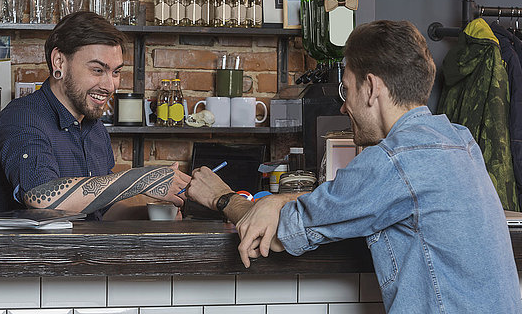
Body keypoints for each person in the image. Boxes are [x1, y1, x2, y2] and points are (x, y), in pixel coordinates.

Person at [186, 20, 522, 313]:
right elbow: (348, 203)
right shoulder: (459, 140)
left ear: (373, 88)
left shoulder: (394, 161)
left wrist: (223, 198)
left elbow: (282, 234)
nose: (345, 107)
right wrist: (278, 200)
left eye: (346, 90)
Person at [0, 11, 190, 218]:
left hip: (88, 250)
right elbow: (42, 197)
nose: (110, 86)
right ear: (59, 62)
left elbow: (99, 211)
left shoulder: (94, 128)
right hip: (35, 251)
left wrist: (149, 216)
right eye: (98, 70)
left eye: (116, 72)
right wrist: (144, 179)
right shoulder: (22, 118)